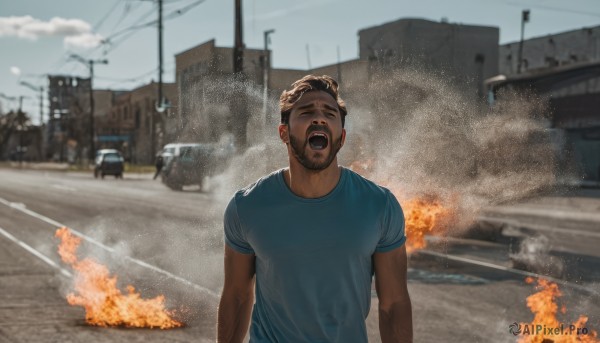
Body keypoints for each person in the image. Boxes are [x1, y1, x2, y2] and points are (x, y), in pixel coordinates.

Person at [217, 75, 412, 343]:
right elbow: (237, 296)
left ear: (341, 137)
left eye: (329, 113)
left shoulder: (380, 205)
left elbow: (394, 304)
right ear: (283, 132)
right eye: (307, 111)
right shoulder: (247, 205)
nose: (319, 118)